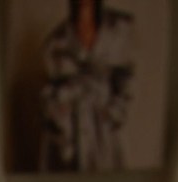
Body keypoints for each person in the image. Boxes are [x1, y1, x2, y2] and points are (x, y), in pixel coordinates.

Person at [39, 0, 135, 172]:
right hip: (70, 132)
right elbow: (49, 90)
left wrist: (114, 111)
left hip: (104, 131)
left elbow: (126, 77)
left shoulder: (118, 28)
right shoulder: (56, 41)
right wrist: (58, 114)